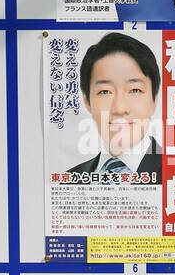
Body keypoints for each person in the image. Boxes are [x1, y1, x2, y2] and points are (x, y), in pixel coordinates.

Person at [67, 32, 162, 180]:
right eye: (105, 91)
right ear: (87, 101)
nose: (119, 108)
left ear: (154, 99)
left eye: (134, 90)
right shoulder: (69, 179)